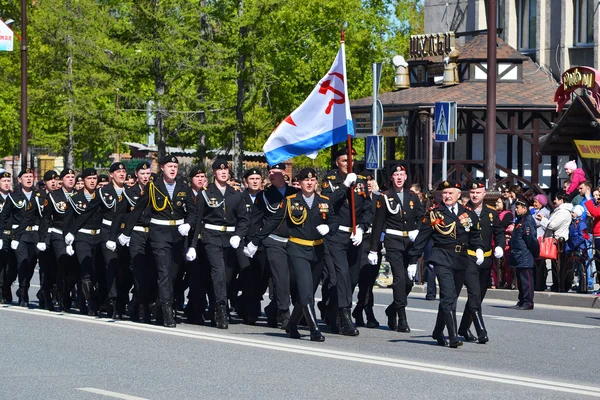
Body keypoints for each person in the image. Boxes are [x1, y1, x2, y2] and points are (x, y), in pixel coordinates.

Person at [245, 168, 338, 342]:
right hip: (297, 249)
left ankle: (292, 324)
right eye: (305, 180)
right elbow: (272, 222)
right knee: (304, 289)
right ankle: (314, 329)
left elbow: (334, 222)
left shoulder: (324, 201)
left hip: (318, 250)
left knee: (309, 291)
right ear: (300, 183)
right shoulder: (290, 201)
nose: (309, 183)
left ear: (316, 182)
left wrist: (329, 228)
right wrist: (255, 241)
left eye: (312, 180)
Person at [120, 155, 197, 327]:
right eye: (169, 166)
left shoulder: (184, 187)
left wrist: (189, 224)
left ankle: (159, 305)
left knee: (173, 275)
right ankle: (167, 312)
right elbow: (137, 209)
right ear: (162, 167)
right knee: (164, 272)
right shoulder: (153, 187)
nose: (173, 169)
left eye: (175, 167)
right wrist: (126, 233)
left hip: (177, 235)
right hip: (159, 234)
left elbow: (193, 211)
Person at [409, 180, 484, 348]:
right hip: (441, 257)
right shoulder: (434, 213)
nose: (447, 196)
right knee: (448, 296)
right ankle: (453, 336)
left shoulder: (468, 213)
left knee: (451, 298)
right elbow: (422, 238)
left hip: (461, 259)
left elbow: (475, 234)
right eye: (444, 193)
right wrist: (413, 261)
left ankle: (437, 331)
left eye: (451, 193)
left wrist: (479, 248)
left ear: (459, 195)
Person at [188, 159, 249, 329]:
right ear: (213, 173)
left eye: (226, 170)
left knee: (226, 278)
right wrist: (193, 245)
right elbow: (199, 220)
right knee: (218, 272)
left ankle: (215, 305)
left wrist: (238, 235)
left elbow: (244, 219)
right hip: (211, 237)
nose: (223, 173)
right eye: (219, 170)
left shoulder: (236, 193)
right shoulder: (206, 193)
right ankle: (222, 311)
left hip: (230, 239)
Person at [320, 146, 372, 336]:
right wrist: (344, 187)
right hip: (336, 235)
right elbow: (327, 203)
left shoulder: (362, 181)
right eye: (344, 161)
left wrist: (362, 228)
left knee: (352, 278)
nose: (348, 164)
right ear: (337, 163)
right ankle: (345, 318)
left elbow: (368, 209)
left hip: (355, 236)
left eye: (351, 161)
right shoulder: (330, 181)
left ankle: (333, 310)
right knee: (341, 275)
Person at [368, 164, 422, 333]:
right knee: (399, 277)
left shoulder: (413, 196)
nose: (399, 177)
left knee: (409, 281)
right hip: (394, 241)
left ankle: (392, 309)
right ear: (391, 178)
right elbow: (378, 224)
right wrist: (373, 249)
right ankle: (402, 317)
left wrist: (417, 230)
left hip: (410, 242)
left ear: (406, 177)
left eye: (402, 174)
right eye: (396, 174)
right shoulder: (385, 197)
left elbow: (422, 217)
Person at [249, 163, 298, 329]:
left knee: (292, 280)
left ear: (283, 173)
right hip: (273, 240)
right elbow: (255, 221)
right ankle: (285, 314)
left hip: (293, 242)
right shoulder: (264, 196)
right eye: (269, 171)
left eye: (275, 171)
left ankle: (273, 308)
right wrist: (252, 242)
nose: (271, 173)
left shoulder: (295, 193)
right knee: (281, 279)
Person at [457, 180, 505, 344]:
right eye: (472, 192)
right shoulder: (463, 212)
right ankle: (481, 331)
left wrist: (500, 246)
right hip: (469, 258)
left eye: (478, 192)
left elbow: (499, 232)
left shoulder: (491, 212)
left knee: (478, 296)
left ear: (484, 194)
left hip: (486, 259)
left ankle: (463, 328)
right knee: (474, 294)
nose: (475, 195)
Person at [0, 168, 45, 307]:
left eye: (31, 176)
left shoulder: (40, 195)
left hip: (34, 235)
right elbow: (4, 217)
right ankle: (22, 293)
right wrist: (2, 235)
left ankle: (17, 288)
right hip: (18, 235)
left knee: (31, 264)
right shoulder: (14, 197)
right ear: (20, 180)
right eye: (25, 176)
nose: (29, 179)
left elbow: (44, 216)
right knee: (21, 263)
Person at [63, 168, 103, 316]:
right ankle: (90, 304)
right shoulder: (75, 198)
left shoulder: (101, 197)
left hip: (99, 237)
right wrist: (67, 240)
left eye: (94, 178)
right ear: (83, 180)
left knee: (97, 272)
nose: (92, 181)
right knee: (85, 270)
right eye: (89, 178)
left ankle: (90, 300)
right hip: (82, 237)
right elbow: (67, 221)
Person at [121, 162, 154, 323]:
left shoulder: (156, 190)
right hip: (136, 234)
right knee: (139, 272)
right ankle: (143, 307)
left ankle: (136, 302)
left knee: (151, 273)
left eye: (148, 173)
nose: (145, 177)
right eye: (142, 173)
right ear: (136, 175)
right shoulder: (129, 192)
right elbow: (123, 215)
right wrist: (123, 234)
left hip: (153, 235)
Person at [354, 171, 382, 328]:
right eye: (366, 181)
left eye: (371, 180)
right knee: (362, 279)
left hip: (375, 242)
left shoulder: (380, 199)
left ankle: (360, 309)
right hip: (362, 240)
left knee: (370, 281)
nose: (369, 183)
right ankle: (365, 311)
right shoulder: (358, 197)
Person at [538, 191, 572, 292]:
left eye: (556, 199)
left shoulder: (563, 212)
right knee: (554, 263)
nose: (554, 201)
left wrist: (543, 219)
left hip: (559, 241)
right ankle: (556, 284)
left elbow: (553, 225)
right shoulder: (559, 211)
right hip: (556, 241)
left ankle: (560, 285)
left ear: (561, 200)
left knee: (559, 264)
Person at [509, 196, 539, 310]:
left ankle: (528, 302)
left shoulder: (527, 220)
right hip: (518, 255)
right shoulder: (520, 220)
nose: (516, 210)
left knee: (527, 281)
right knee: (521, 281)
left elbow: (531, 239)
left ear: (525, 209)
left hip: (525, 255)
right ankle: (522, 300)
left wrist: (535, 253)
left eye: (518, 208)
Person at [566, 205, 592, 291]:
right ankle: (580, 285)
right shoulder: (574, 222)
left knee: (582, 268)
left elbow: (583, 236)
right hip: (575, 248)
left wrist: (574, 244)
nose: (571, 214)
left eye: (573, 212)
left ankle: (583, 286)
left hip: (580, 248)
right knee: (577, 267)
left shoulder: (582, 224)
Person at [0, 171, 16, 304]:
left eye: (8, 181)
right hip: (1, 234)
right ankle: (1, 290)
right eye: (4, 181)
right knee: (2, 264)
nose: (6, 183)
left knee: (13, 265)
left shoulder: (14, 197)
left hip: (13, 234)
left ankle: (7, 285)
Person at [531, 194, 550, 291]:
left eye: (536, 202)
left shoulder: (544, 212)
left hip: (540, 239)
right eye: (534, 202)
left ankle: (540, 283)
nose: (534, 204)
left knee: (540, 263)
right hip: (536, 239)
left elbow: (534, 222)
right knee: (536, 263)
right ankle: (537, 282)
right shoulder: (536, 211)